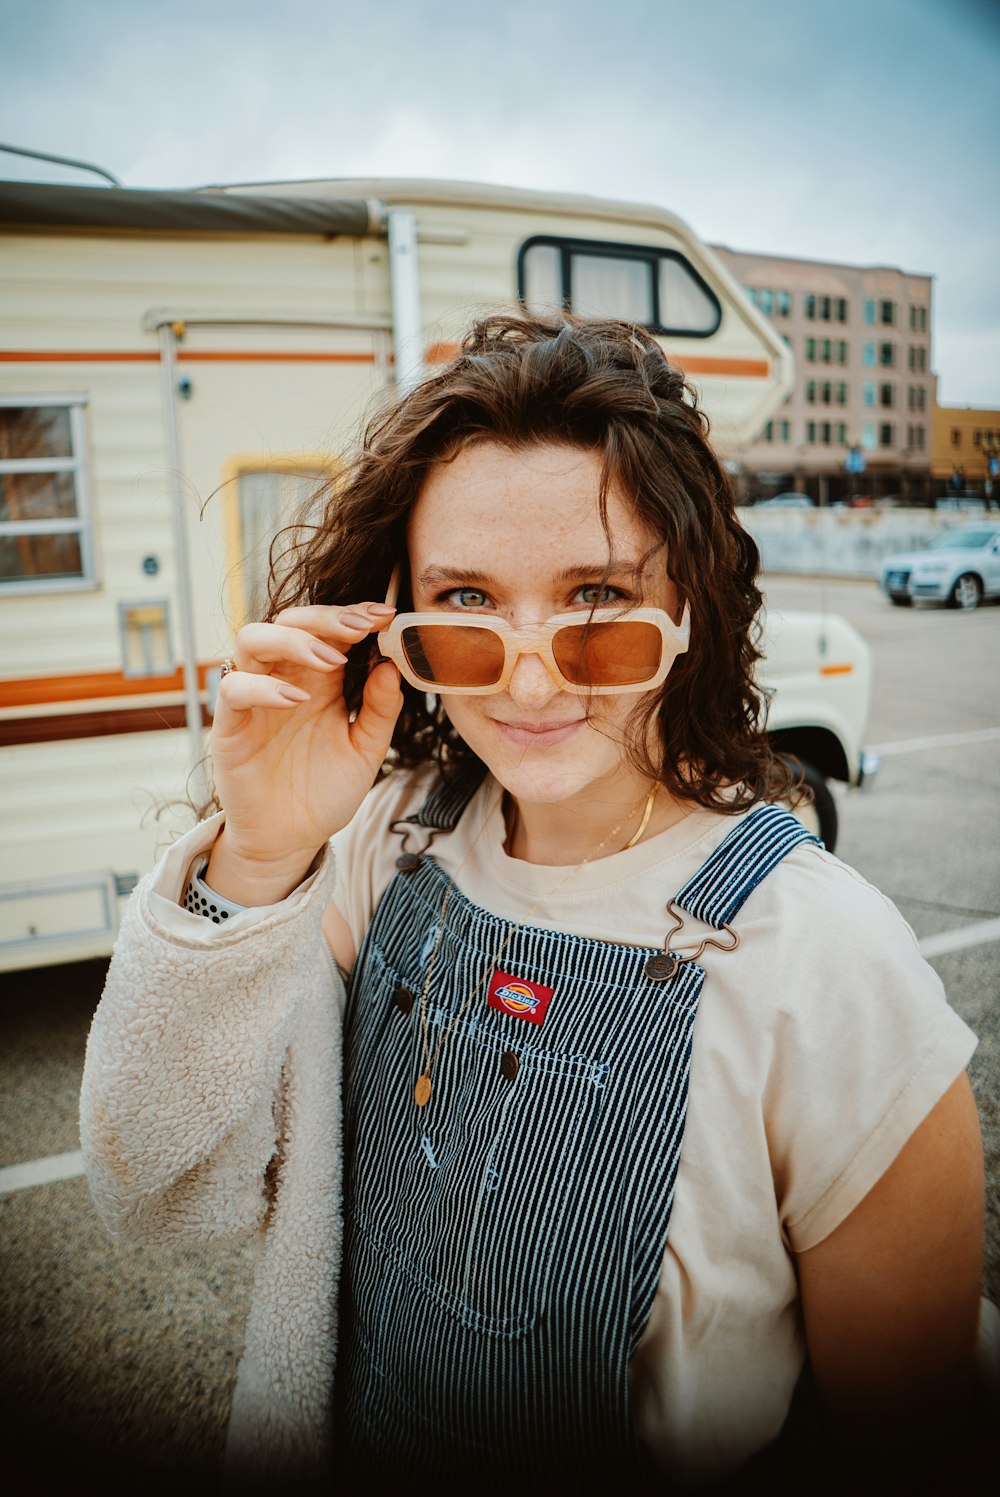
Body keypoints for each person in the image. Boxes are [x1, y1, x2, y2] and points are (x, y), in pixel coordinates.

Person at [81, 315, 987, 1494]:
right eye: (464, 600)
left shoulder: (826, 960)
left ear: (691, 608)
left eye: (597, 599)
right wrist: (257, 852)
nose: (526, 673)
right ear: (395, 620)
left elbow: (908, 1445)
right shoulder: (380, 849)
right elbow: (155, 1188)